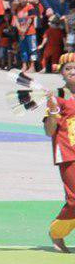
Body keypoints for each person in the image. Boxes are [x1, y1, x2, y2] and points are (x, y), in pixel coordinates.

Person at [44, 53, 75, 253]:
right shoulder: (58, 98)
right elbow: (49, 131)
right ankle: (57, 232)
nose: (73, 71)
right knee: (74, 199)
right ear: (61, 73)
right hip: (68, 153)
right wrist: (53, 113)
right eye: (68, 68)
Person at [14, 0, 40, 74]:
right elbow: (16, 20)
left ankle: (32, 66)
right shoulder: (17, 8)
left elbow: (30, 19)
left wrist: (24, 30)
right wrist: (20, 30)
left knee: (32, 49)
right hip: (21, 33)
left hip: (30, 32)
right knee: (23, 50)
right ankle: (24, 65)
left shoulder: (30, 7)